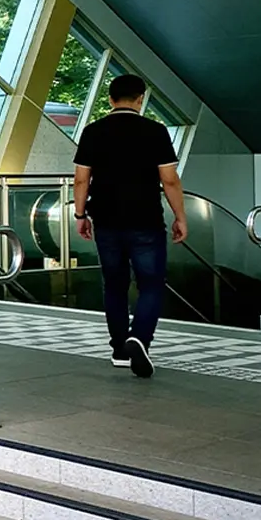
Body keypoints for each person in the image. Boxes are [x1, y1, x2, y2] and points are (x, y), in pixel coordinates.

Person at [72, 74, 187, 378]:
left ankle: (120, 348)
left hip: (106, 221)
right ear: (140, 99)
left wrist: (80, 215)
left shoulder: (93, 132)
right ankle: (140, 337)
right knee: (151, 283)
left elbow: (82, 178)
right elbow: (170, 179)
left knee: (114, 284)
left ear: (110, 99)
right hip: (146, 220)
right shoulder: (156, 131)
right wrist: (180, 216)